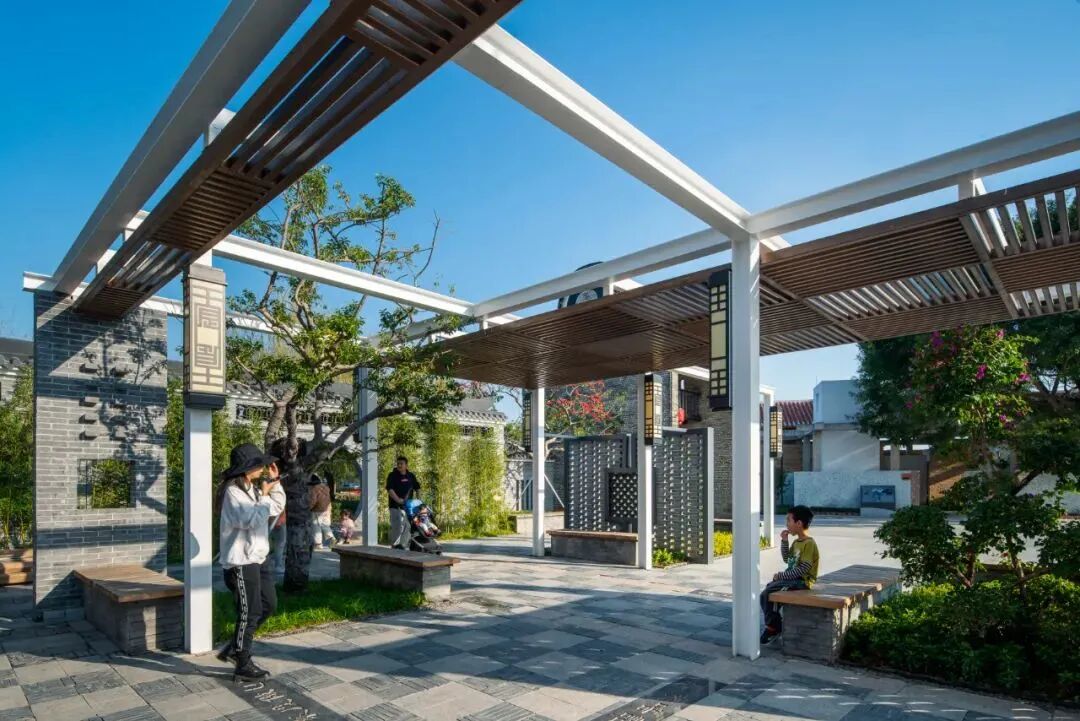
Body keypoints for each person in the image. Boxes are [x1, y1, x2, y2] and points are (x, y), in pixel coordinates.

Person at [215, 443, 286, 680]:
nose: (263, 468)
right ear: (246, 468)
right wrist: (264, 496)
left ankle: (236, 647)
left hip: (258, 559)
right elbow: (249, 521)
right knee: (250, 612)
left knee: (268, 605)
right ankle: (242, 662)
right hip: (241, 562)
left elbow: (275, 508)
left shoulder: (252, 489)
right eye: (259, 464)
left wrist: (275, 485)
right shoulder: (233, 492)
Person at [760, 505, 820, 645]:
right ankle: (775, 623)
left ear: (799, 523)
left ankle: (773, 627)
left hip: (802, 581)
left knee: (767, 593)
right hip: (793, 579)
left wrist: (781, 576)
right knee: (769, 589)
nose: (786, 524)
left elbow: (803, 569)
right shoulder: (797, 542)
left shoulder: (809, 543)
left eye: (788, 520)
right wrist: (784, 541)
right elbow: (787, 559)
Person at [386, 456, 420, 549]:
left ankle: (403, 545)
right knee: (397, 527)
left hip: (408, 507)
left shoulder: (411, 476)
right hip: (395, 506)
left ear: (406, 465)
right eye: (398, 463)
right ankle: (395, 546)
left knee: (408, 526)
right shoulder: (392, 475)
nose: (399, 465)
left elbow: (417, 488)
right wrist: (398, 500)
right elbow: (390, 489)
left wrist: (419, 501)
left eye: (401, 463)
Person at [308, 474, 335, 549]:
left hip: (317, 510)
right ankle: (331, 537)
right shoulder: (326, 487)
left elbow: (313, 500)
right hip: (327, 508)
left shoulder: (314, 489)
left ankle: (318, 544)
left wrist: (308, 508)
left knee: (316, 526)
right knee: (325, 525)